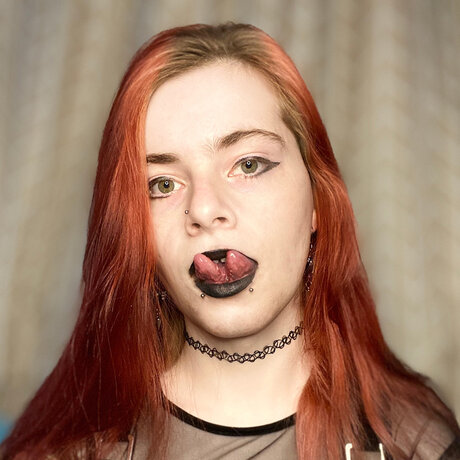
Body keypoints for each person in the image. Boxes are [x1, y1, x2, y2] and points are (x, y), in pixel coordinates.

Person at [1, 22, 459, 460]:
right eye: (162, 184)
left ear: (318, 200)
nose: (203, 210)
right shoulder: (76, 451)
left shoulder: (412, 441)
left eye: (248, 165)